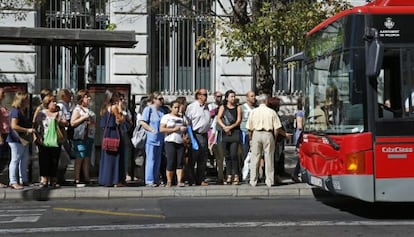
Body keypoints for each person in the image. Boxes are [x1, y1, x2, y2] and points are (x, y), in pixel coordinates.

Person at [246, 94, 282, 188]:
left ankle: (253, 180)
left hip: (256, 134)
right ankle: (269, 181)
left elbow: (249, 128)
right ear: (266, 101)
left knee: (255, 158)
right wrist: (274, 137)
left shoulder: (253, 112)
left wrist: (250, 138)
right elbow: (277, 128)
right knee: (269, 158)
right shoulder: (272, 112)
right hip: (268, 133)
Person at [33, 94, 65, 188]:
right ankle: (44, 179)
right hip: (44, 141)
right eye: (52, 102)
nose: (55, 103)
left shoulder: (59, 113)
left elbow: (66, 123)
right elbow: (35, 125)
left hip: (56, 141)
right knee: (44, 160)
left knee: (54, 160)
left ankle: (53, 179)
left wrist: (59, 121)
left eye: (55, 101)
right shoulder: (42, 113)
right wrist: (37, 137)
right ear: (47, 103)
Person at [6, 91, 35, 189]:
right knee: (15, 159)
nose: (28, 101)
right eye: (26, 99)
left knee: (24, 159)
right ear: (21, 100)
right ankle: (13, 181)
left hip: (22, 139)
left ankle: (24, 180)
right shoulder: (16, 111)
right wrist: (27, 130)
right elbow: (14, 126)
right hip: (16, 139)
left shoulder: (21, 111)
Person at [99, 90, 126, 187]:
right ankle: (116, 180)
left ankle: (106, 179)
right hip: (115, 133)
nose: (118, 98)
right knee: (116, 157)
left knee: (107, 157)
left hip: (107, 135)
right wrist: (120, 108)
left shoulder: (104, 108)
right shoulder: (114, 107)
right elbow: (120, 119)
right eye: (116, 96)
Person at [139, 91, 166, 187]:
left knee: (158, 160)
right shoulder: (148, 109)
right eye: (159, 99)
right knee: (151, 159)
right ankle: (149, 180)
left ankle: (156, 179)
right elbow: (142, 122)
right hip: (151, 138)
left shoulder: (162, 111)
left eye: (162, 99)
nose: (161, 100)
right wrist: (151, 129)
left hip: (160, 138)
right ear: (154, 100)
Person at [185, 88, 211, 186]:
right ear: (198, 96)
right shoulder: (192, 107)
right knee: (193, 158)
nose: (206, 97)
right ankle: (191, 179)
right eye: (204, 94)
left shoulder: (207, 107)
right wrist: (189, 136)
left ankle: (200, 179)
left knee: (203, 158)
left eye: (206, 94)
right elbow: (187, 122)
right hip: (195, 134)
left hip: (204, 134)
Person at [160, 100, 188, 187]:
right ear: (171, 108)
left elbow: (186, 127)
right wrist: (174, 129)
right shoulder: (166, 117)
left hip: (180, 141)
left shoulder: (182, 117)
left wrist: (185, 136)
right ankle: (169, 181)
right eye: (175, 107)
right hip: (170, 141)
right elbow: (162, 129)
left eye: (178, 107)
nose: (177, 109)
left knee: (180, 162)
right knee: (171, 161)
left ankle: (179, 181)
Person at [216, 90, 242, 185]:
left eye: (234, 96)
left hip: (235, 132)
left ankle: (236, 175)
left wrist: (230, 127)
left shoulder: (238, 107)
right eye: (231, 96)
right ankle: (228, 175)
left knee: (234, 154)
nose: (233, 98)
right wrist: (224, 127)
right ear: (227, 98)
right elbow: (218, 118)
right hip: (225, 133)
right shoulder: (223, 107)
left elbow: (239, 120)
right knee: (227, 155)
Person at [71, 89, 95, 187]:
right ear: (81, 98)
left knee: (86, 157)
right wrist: (83, 118)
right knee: (80, 157)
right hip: (80, 137)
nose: (89, 98)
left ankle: (87, 177)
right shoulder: (77, 110)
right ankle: (77, 178)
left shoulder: (88, 109)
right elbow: (72, 123)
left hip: (89, 135)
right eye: (86, 96)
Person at [56, 88, 74, 185]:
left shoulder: (67, 106)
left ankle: (61, 177)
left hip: (66, 135)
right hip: (62, 135)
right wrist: (66, 122)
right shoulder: (61, 106)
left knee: (66, 157)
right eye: (69, 95)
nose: (71, 97)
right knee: (63, 157)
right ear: (63, 96)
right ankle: (59, 178)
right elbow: (59, 119)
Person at [207, 91, 224, 184]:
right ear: (214, 97)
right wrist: (217, 110)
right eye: (218, 96)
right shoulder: (210, 106)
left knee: (220, 156)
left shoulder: (223, 106)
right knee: (211, 151)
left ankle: (220, 175)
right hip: (211, 130)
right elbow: (210, 115)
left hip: (219, 132)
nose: (219, 98)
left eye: (221, 96)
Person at [240, 90, 256, 181]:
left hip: (253, 133)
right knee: (244, 153)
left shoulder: (255, 109)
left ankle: (249, 173)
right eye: (252, 96)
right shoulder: (242, 108)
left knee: (251, 155)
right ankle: (243, 174)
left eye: (254, 96)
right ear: (247, 97)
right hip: (244, 132)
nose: (253, 98)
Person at [292, 97, 303, 183]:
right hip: (300, 136)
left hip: (302, 136)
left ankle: (297, 173)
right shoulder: (300, 113)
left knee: (301, 156)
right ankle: (296, 174)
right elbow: (299, 126)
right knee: (301, 156)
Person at [0, 87, 10, 188]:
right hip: (2, 134)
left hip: (6, 134)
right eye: (2, 93)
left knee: (4, 158)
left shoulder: (2, 106)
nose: (4, 95)